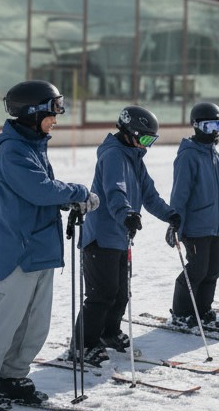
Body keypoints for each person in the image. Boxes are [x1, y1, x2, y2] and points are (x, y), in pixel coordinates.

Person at [0, 80, 98, 411]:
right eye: (53, 110)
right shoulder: (13, 151)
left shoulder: (33, 146)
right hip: (18, 255)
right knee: (1, 326)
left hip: (41, 250)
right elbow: (39, 190)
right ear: (33, 112)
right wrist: (77, 192)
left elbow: (40, 196)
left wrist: (67, 202)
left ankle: (11, 377)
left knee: (33, 326)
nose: (57, 118)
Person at [70, 106, 177, 365]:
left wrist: (170, 215)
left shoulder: (135, 157)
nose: (146, 146)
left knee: (120, 293)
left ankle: (108, 333)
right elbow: (114, 191)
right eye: (144, 139)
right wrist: (127, 213)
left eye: (151, 141)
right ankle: (83, 344)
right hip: (101, 235)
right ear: (129, 133)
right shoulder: (113, 155)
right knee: (101, 293)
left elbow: (150, 195)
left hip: (119, 235)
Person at [167, 102, 219, 329]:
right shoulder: (188, 156)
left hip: (217, 226)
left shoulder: (217, 156)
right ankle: (182, 311)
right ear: (195, 126)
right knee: (197, 269)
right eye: (207, 126)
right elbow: (180, 193)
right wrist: (175, 223)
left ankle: (202, 309)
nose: (213, 130)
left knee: (213, 269)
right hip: (195, 226)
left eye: (217, 124)